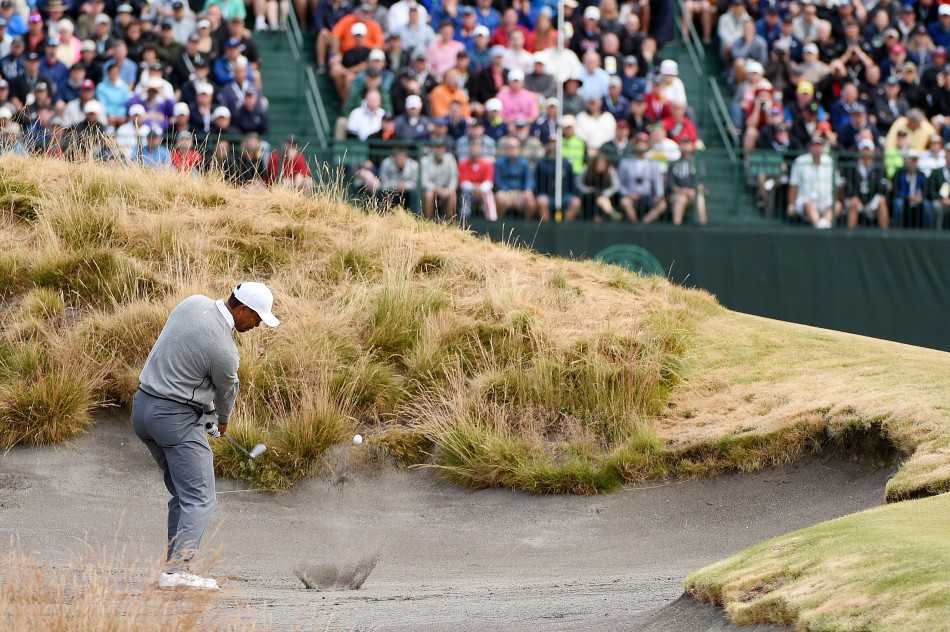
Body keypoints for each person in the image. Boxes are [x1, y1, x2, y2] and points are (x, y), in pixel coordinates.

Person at [133, 283, 279, 591]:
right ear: (243, 309)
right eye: (256, 318)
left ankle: (172, 569)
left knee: (183, 493)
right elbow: (227, 391)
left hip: (143, 409)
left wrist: (206, 412)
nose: (256, 325)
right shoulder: (225, 350)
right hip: (173, 419)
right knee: (200, 497)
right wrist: (221, 421)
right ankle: (178, 571)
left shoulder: (193, 303)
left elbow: (186, 362)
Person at [787, 137, 837, 228]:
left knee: (837, 205)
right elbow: (794, 185)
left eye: (819, 146)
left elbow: (837, 185)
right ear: (810, 147)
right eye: (814, 146)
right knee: (809, 205)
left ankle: (821, 226)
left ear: (823, 148)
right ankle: (822, 228)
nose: (817, 149)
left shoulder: (830, 161)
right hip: (805, 201)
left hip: (826, 202)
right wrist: (791, 204)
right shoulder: (800, 161)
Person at [617, 132, 665, 223]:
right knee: (625, 202)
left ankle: (644, 222)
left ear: (648, 145)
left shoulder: (653, 163)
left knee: (662, 205)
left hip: (648, 196)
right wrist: (628, 194)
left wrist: (659, 196)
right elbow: (620, 183)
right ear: (634, 144)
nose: (641, 144)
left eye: (644, 142)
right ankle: (635, 224)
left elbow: (658, 182)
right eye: (638, 142)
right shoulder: (625, 162)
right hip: (631, 196)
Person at [844, 139, 890, 229]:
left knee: (882, 201)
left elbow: (883, 187)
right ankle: (850, 234)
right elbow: (848, 185)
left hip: (872, 200)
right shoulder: (852, 167)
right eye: (864, 149)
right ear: (860, 151)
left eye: (868, 149)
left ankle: (885, 234)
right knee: (853, 202)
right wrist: (854, 196)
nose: (866, 152)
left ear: (872, 151)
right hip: (857, 199)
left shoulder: (879, 167)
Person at [535, 138, 581, 222]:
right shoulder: (541, 163)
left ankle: (565, 227)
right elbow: (537, 182)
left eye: (556, 143)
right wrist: (539, 194)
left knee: (576, 202)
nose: (554, 146)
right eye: (551, 143)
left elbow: (572, 182)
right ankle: (546, 227)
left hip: (564, 196)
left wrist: (572, 194)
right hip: (547, 195)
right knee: (542, 201)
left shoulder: (566, 163)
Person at [493, 136, 536, 218]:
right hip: (505, 192)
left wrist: (527, 190)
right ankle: (499, 223)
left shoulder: (525, 163)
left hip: (520, 192)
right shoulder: (499, 163)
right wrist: (506, 192)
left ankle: (527, 223)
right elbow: (497, 180)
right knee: (499, 197)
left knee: (530, 200)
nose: (512, 150)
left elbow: (529, 180)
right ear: (506, 149)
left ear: (519, 149)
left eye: (514, 147)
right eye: (510, 147)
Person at [668, 137, 706, 225]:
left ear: (692, 146)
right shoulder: (673, 164)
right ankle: (676, 229)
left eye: (687, 143)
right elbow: (670, 184)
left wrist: (694, 191)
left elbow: (701, 183)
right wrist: (682, 191)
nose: (685, 146)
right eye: (682, 143)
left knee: (699, 199)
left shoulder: (698, 162)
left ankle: (703, 227)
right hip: (677, 194)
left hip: (694, 193)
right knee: (681, 199)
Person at [458, 139, 496, 219]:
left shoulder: (487, 164)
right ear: (469, 149)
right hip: (469, 192)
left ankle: (492, 219)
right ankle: (464, 219)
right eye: (472, 147)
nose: (474, 149)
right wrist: (474, 188)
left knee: (489, 194)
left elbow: (489, 182)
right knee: (465, 194)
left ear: (481, 149)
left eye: (477, 147)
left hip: (482, 192)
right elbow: (463, 183)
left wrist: (480, 189)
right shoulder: (463, 163)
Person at [578, 152, 622, 222]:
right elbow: (578, 183)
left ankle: (605, 215)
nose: (601, 166)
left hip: (606, 195)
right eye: (599, 164)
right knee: (594, 198)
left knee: (601, 199)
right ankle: (610, 212)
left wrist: (606, 193)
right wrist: (587, 190)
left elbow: (616, 186)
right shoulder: (587, 169)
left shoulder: (610, 171)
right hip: (588, 196)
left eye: (603, 164)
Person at [420, 140, 458, 219]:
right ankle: (428, 221)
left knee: (452, 194)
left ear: (444, 149)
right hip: (432, 189)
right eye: (437, 147)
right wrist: (437, 189)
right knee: (429, 195)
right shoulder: (425, 160)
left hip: (446, 189)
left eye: (441, 147)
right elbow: (424, 181)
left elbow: (454, 178)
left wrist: (448, 190)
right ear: (432, 149)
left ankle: (450, 223)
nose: (439, 150)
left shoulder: (450, 159)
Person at [893, 152, 929, 228]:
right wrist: (907, 196)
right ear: (907, 161)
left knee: (926, 205)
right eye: (911, 160)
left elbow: (926, 190)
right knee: (898, 204)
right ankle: (896, 228)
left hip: (917, 199)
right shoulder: (899, 173)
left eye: (915, 160)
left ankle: (927, 230)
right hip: (904, 198)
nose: (913, 163)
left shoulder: (921, 174)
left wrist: (921, 197)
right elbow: (895, 190)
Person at [926, 142, 950, 230]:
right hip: (939, 200)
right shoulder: (936, 172)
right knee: (937, 206)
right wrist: (941, 199)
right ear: (945, 155)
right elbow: (931, 190)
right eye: (948, 153)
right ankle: (938, 233)